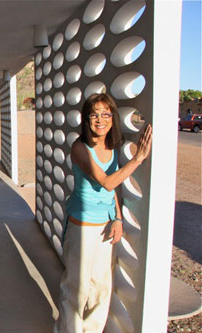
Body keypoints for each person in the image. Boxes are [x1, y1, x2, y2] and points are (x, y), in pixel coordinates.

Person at [54, 93, 152, 332]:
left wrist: (117, 218)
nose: (100, 119)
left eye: (106, 114)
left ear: (113, 118)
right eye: (94, 114)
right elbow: (107, 182)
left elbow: (113, 191)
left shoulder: (112, 147)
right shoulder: (80, 147)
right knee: (77, 288)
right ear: (86, 119)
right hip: (83, 227)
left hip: (106, 226)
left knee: (101, 287)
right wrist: (138, 158)